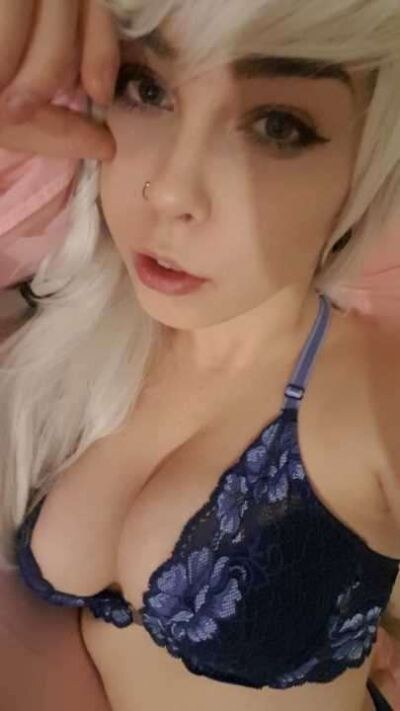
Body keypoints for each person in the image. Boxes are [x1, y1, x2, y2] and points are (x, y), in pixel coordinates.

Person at [0, 1, 400, 710]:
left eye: (277, 126)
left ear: (367, 159)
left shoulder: (374, 394)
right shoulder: (84, 329)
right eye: (146, 88)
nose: (170, 190)